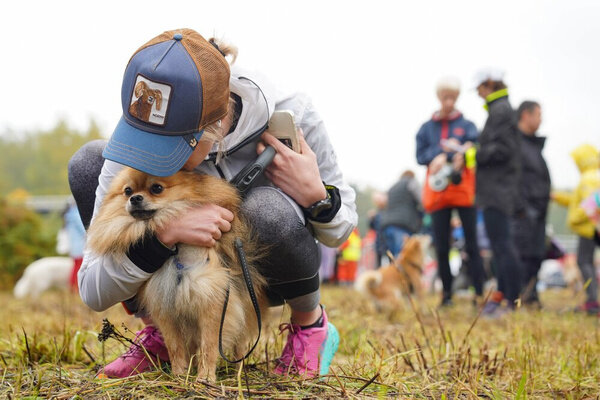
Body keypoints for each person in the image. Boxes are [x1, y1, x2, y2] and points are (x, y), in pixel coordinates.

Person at [68, 29, 357, 378]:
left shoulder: (295, 113)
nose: (153, 157)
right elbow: (93, 291)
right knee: (89, 161)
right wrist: (163, 233)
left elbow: (341, 231)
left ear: (216, 125)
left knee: (265, 208)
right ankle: (160, 333)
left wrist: (316, 196)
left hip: (259, 274)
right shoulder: (144, 123)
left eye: (169, 147)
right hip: (172, 285)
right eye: (147, 141)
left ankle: (310, 327)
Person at [416, 77, 485, 307]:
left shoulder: (467, 126)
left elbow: (475, 147)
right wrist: (438, 155)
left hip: (463, 191)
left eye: (452, 97)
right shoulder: (426, 128)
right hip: (438, 193)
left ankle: (479, 292)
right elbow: (420, 156)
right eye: (445, 96)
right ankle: (446, 295)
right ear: (439, 97)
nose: (449, 101)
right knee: (442, 245)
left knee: (472, 243)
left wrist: (463, 152)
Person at [473, 69, 522, 316]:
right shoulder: (499, 109)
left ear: (489, 84)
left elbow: (504, 149)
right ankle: (504, 295)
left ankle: (510, 300)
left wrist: (475, 154)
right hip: (497, 189)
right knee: (500, 244)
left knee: (503, 245)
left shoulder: (501, 110)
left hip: (498, 189)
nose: (478, 94)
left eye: (479, 88)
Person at [553, 144, 600, 314]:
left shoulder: (589, 178)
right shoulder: (591, 177)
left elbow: (592, 203)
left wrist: (574, 218)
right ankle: (592, 300)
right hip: (589, 227)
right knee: (585, 262)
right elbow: (576, 200)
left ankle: (593, 301)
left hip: (588, 228)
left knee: (584, 262)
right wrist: (558, 197)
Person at [512, 101, 551, 307]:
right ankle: (521, 297)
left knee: (535, 255)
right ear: (526, 115)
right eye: (538, 114)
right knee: (523, 255)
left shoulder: (532, 145)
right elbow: (513, 179)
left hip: (537, 212)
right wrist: (521, 209)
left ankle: (531, 295)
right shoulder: (516, 144)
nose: (541, 119)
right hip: (524, 212)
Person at [379, 170, 422, 256]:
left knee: (393, 259)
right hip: (403, 225)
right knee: (403, 257)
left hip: (387, 225)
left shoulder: (392, 187)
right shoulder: (411, 182)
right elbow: (422, 199)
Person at [62, 201, 86, 292]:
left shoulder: (68, 215)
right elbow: (83, 230)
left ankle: (73, 288)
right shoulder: (76, 213)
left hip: (74, 248)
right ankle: (77, 288)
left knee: (75, 267)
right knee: (79, 268)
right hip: (80, 247)